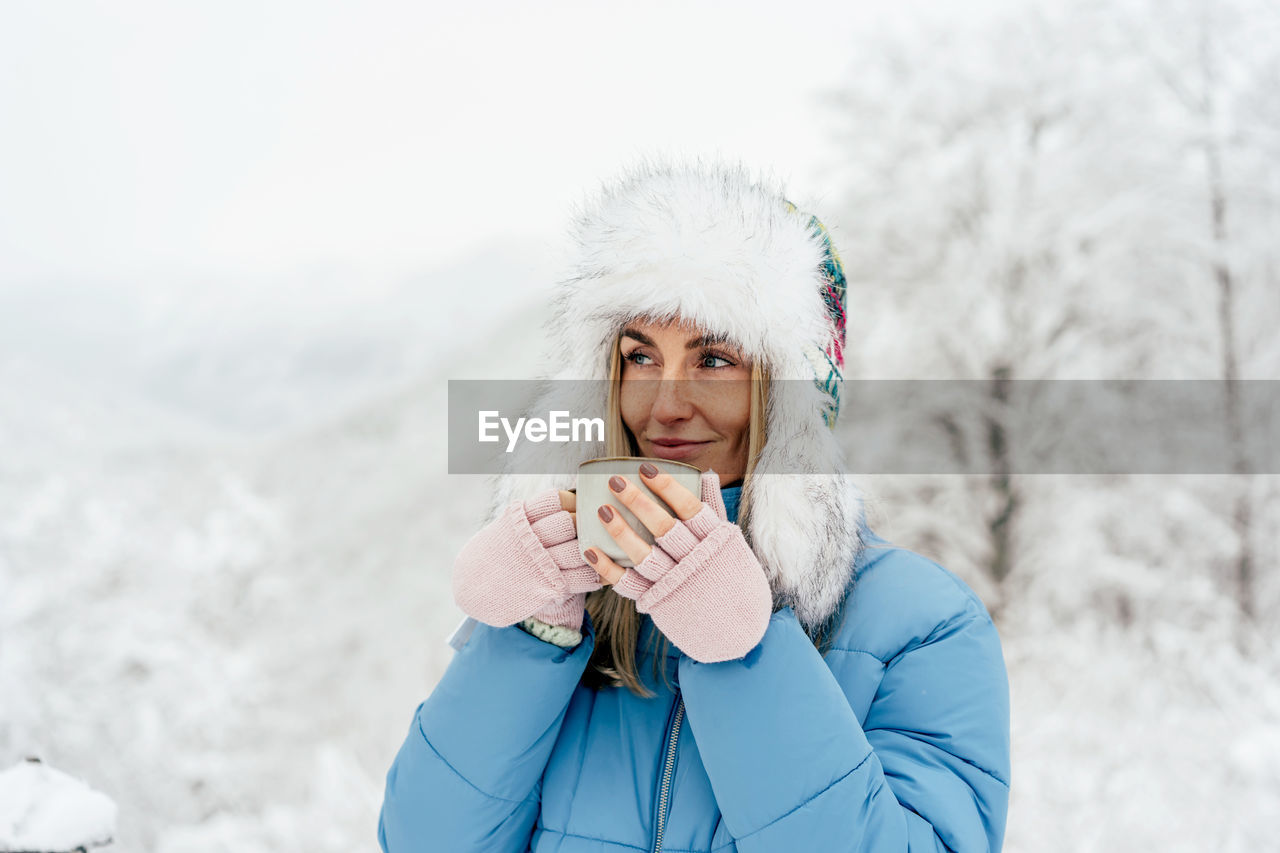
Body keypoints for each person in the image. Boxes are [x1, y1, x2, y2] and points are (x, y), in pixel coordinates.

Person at [378, 156, 1011, 852]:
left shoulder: (923, 625)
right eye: (640, 357)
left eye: (714, 360)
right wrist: (531, 635)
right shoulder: (577, 599)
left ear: (788, 397)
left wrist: (742, 644)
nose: (666, 403)